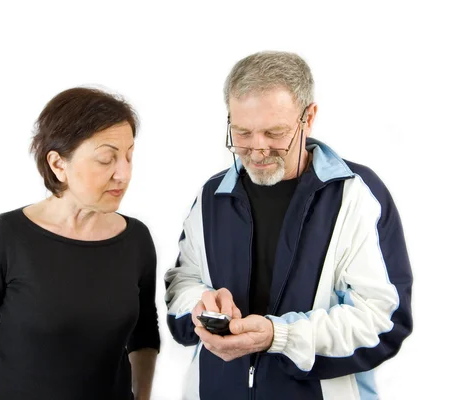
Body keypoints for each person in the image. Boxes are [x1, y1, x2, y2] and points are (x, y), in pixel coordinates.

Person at [165, 51, 413, 399]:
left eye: (274, 132)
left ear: (308, 117)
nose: (258, 148)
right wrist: (200, 306)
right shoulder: (212, 196)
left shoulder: (357, 195)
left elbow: (383, 320)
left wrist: (278, 336)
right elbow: (182, 284)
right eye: (242, 133)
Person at [0, 87, 160, 400]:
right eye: (107, 159)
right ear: (58, 164)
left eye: (129, 157)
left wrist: (142, 396)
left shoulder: (136, 239)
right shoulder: (5, 237)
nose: (124, 174)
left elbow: (145, 336)